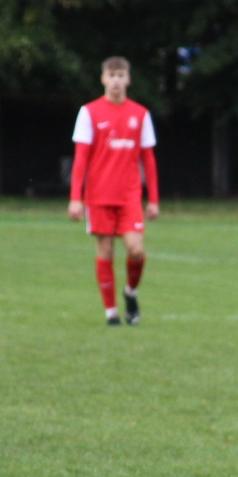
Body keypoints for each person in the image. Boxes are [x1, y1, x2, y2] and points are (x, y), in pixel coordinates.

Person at [68, 57, 160, 326]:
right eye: (111, 75)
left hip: (129, 195)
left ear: (128, 80)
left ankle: (130, 293)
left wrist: (154, 199)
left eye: (121, 75)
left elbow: (148, 160)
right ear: (103, 79)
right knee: (105, 251)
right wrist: (75, 198)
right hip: (98, 196)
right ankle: (111, 313)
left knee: (136, 250)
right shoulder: (89, 112)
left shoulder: (140, 114)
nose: (116, 80)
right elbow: (81, 158)